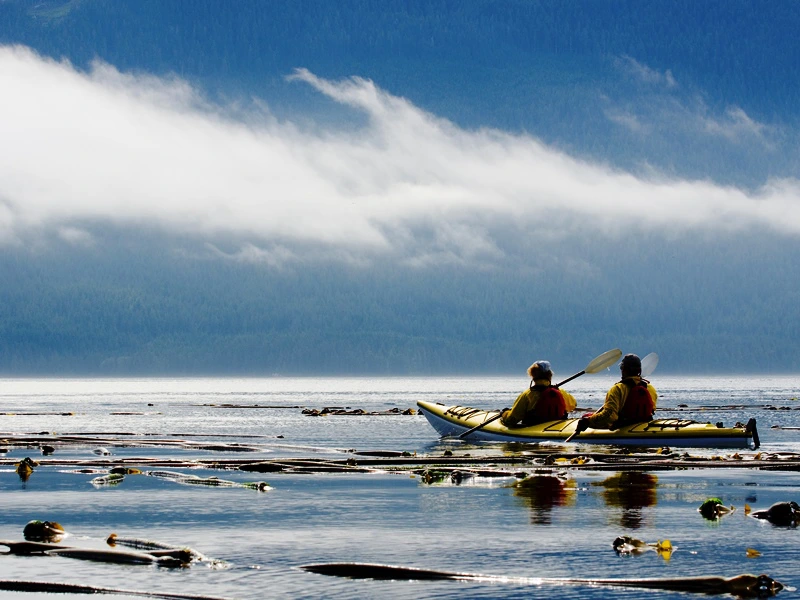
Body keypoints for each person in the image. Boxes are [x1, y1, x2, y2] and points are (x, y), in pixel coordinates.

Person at [574, 353, 657, 434]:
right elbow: (652, 409)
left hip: (623, 425)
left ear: (623, 369)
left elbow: (609, 416)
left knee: (585, 417)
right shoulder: (649, 388)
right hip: (645, 423)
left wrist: (588, 421)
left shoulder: (617, 389)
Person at [501, 360, 577, 426]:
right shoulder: (560, 392)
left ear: (532, 375)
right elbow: (573, 405)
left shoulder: (528, 395)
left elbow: (511, 420)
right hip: (557, 426)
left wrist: (504, 413)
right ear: (550, 375)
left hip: (534, 427)